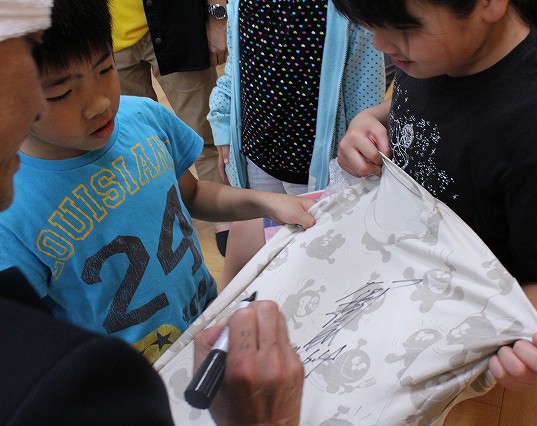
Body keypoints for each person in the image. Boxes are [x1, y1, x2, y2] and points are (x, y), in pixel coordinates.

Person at [0, 1, 304, 424]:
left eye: (105, 68)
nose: (98, 103)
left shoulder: (143, 117)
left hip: (206, 329)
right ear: (21, 95)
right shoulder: (12, 209)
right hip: (128, 388)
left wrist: (264, 202)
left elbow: (194, 194)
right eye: (61, 93)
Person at [332, 0, 537, 392]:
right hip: (401, 264)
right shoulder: (434, 54)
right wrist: (370, 120)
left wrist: (522, 344)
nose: (380, 43)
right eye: (372, 24)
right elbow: (415, 103)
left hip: (458, 312)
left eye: (403, 27)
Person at [208, 0, 385, 195]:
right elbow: (237, 62)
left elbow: (365, 83)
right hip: (255, 157)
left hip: (321, 170)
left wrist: (365, 149)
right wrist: (223, 121)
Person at [110, 0, 232, 255]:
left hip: (176, 22)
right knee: (135, 147)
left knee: (205, 135)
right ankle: (162, 222)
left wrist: (218, 17)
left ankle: (225, 214)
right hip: (106, 39)